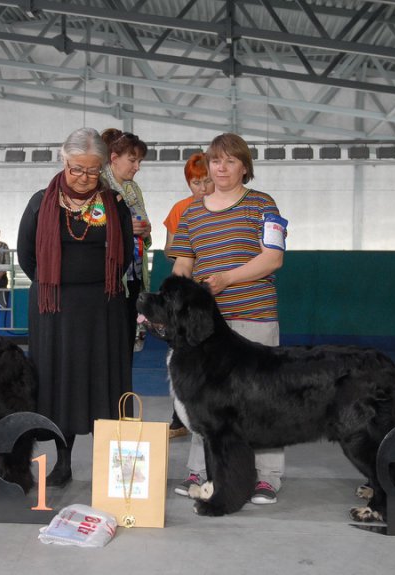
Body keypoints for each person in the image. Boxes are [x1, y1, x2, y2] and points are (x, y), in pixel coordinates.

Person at [167, 133, 287, 505]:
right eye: (215, 161)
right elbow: (183, 263)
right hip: (205, 329)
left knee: (262, 399)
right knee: (202, 399)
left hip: (254, 315)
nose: (221, 167)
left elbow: (273, 258)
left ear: (245, 168)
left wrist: (226, 279)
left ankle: (266, 477)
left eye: (230, 161)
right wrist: (176, 300)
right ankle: (201, 473)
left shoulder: (262, 205)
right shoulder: (191, 211)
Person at [17, 127, 134, 487]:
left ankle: (111, 469)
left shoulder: (115, 204)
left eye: (93, 170)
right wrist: (57, 285)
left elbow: (126, 254)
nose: (84, 178)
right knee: (59, 385)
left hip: (104, 308)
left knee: (106, 383)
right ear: (63, 161)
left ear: (104, 167)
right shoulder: (40, 201)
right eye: (76, 169)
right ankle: (62, 463)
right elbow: (26, 257)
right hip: (55, 311)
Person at [162, 152, 213, 439]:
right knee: (182, 352)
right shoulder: (180, 209)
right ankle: (178, 417)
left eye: (206, 181)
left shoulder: (223, 206)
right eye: (196, 182)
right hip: (187, 291)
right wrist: (187, 252)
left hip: (217, 289)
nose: (202, 188)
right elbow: (170, 249)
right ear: (188, 183)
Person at [100, 128, 151, 352]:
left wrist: (146, 233)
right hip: (110, 278)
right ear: (114, 158)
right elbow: (96, 230)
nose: (137, 167)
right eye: (132, 160)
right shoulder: (98, 186)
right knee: (110, 344)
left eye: (139, 161)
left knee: (128, 343)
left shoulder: (134, 189)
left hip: (134, 275)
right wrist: (127, 228)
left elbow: (144, 227)